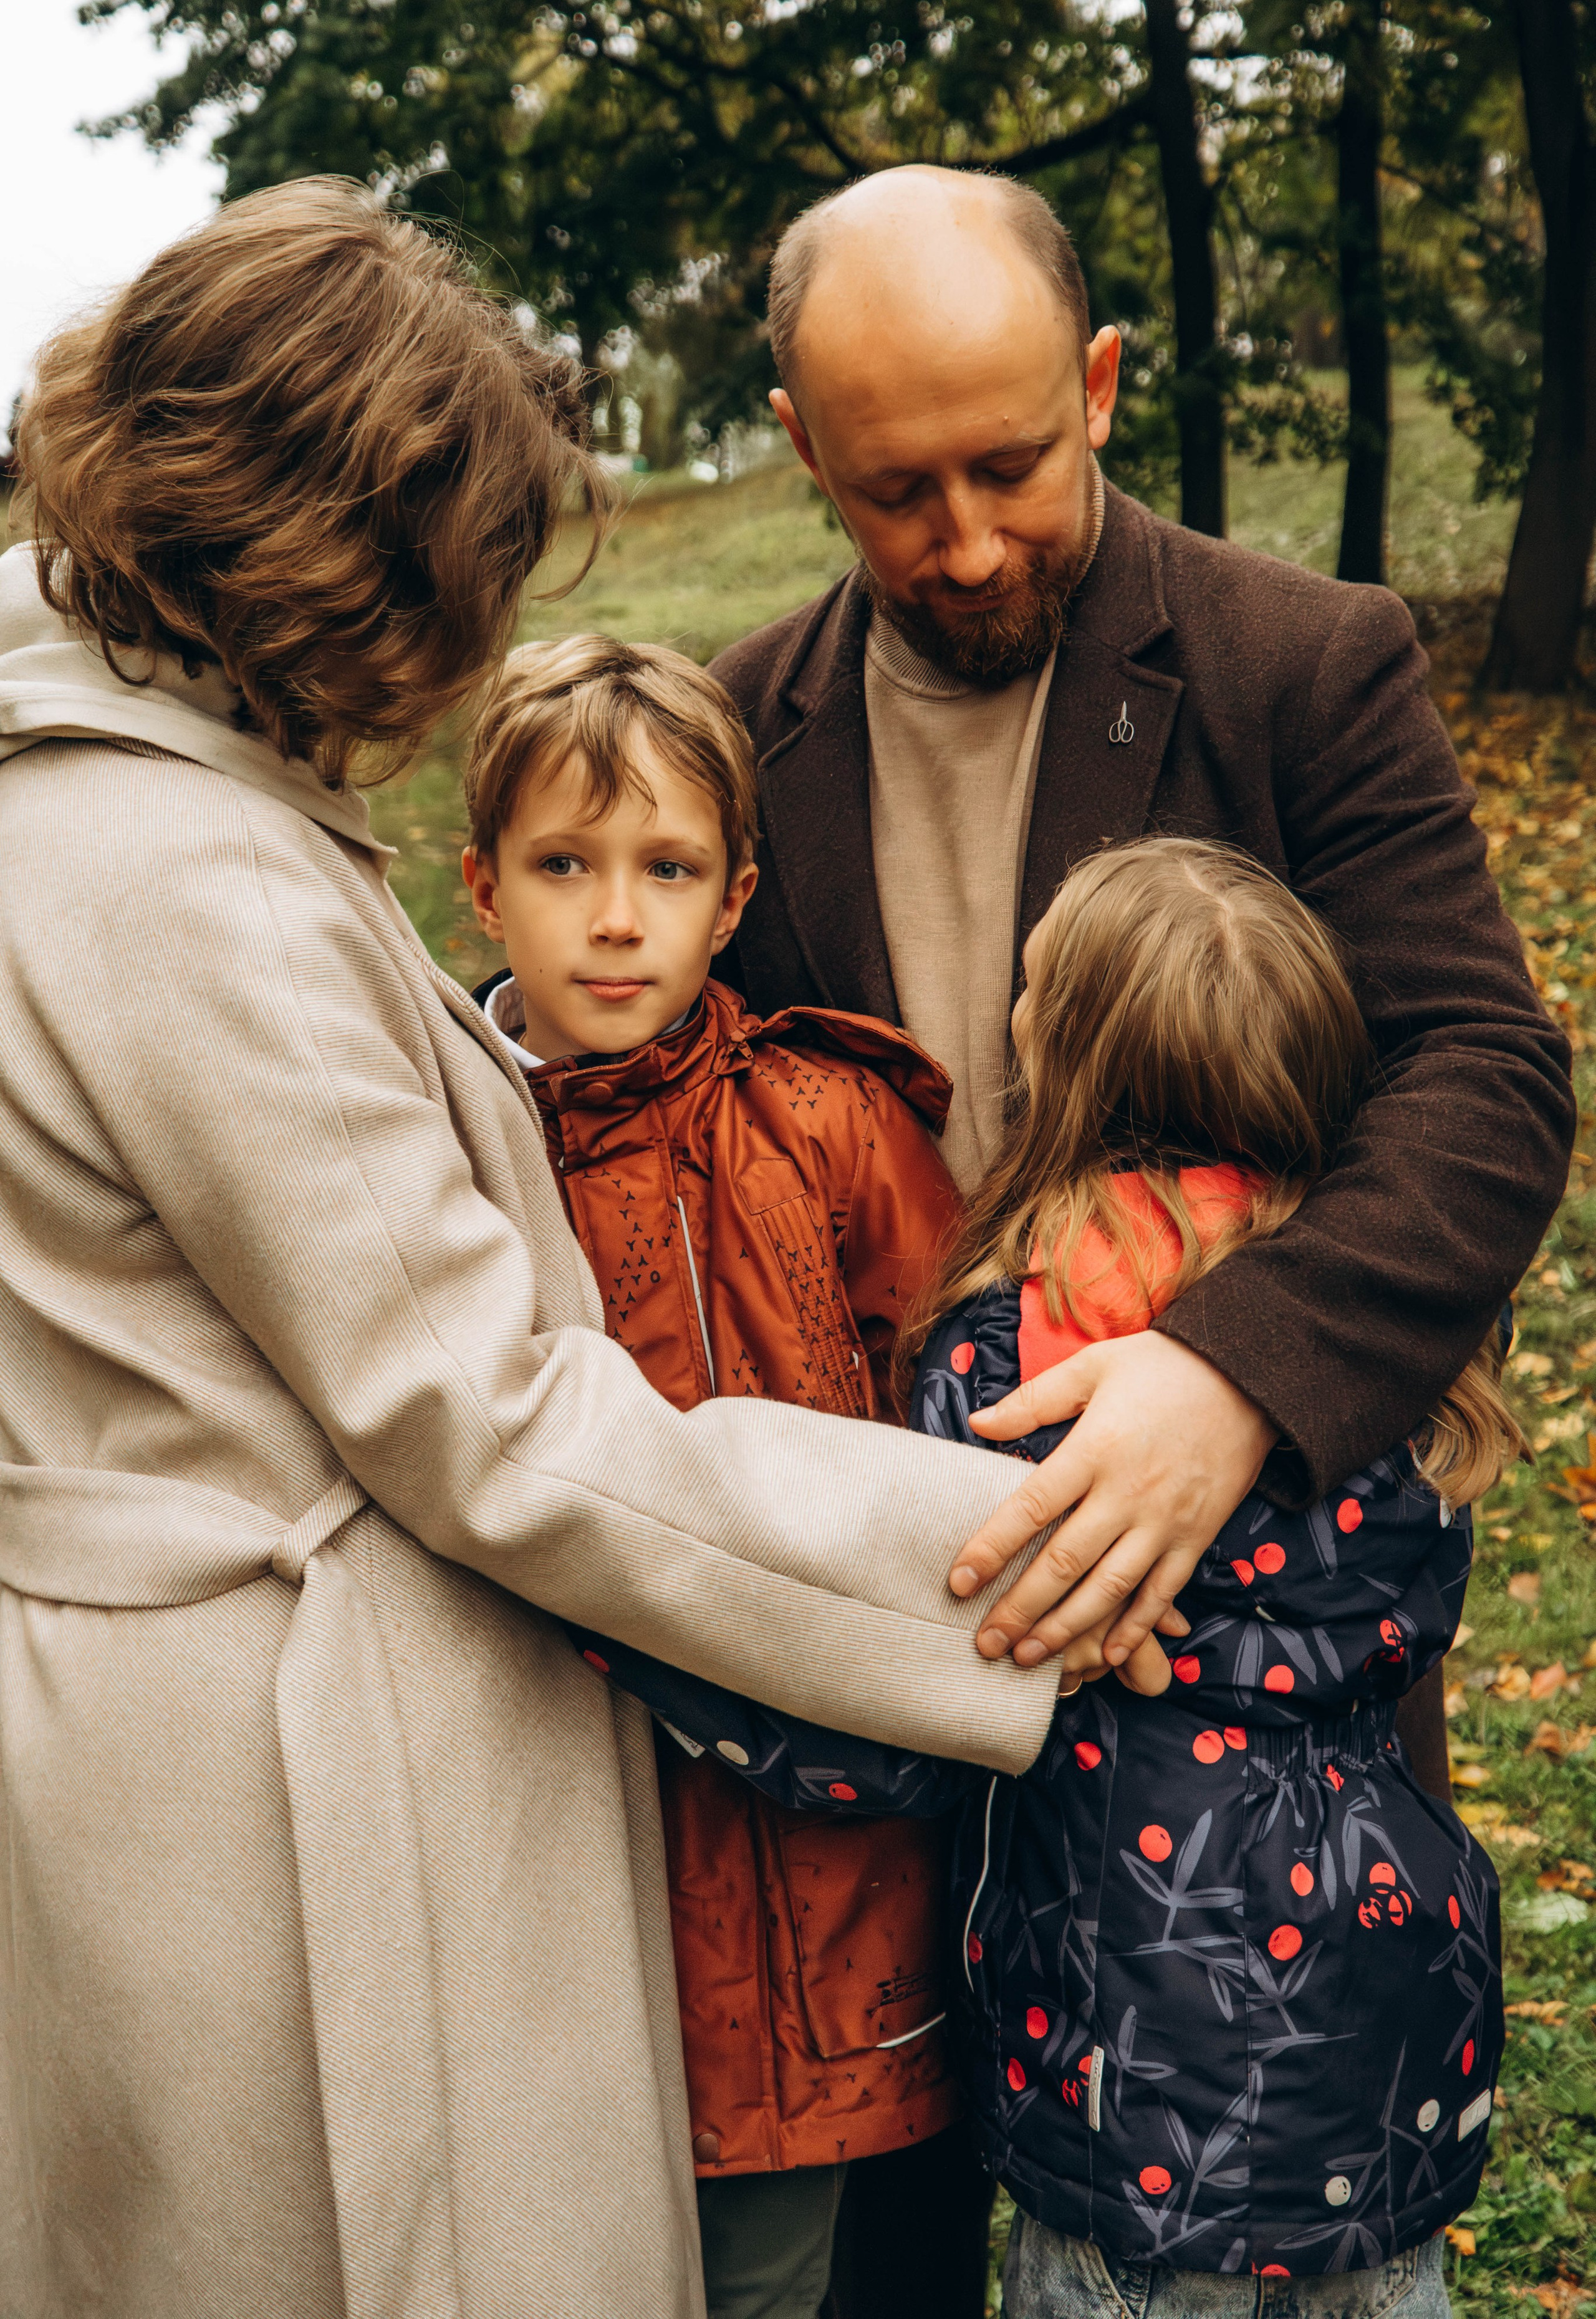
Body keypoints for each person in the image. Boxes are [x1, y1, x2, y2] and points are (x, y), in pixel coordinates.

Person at [0, 178, 1138, 2319]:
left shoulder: (91, 782)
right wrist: (1001, 1561)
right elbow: (489, 1410)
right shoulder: (180, 877)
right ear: (359, 558)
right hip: (272, 1786)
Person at [575, 838, 1515, 2310]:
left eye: (1028, 992)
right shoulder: (1379, 1353)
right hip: (1389, 2020)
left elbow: (901, 1704)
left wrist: (646, 1632)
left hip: (1131, 2065)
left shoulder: (1011, 1375)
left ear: (1069, 1064)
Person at [711, 164, 1572, 1750]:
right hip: (894, 1685)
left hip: (1256, 1731)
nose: (967, 546)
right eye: (896, 490)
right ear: (801, 443)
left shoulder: (1301, 665)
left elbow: (1484, 1077)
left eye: (1010, 466)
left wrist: (1229, 1376)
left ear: (1096, 387)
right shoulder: (733, 734)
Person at [458, 631, 984, 2319]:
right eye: (564, 866)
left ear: (734, 892)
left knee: (774, 2267)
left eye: (666, 869)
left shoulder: (828, 1125)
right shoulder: (431, 1137)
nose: (616, 919)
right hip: (537, 1812)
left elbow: (964, 1418)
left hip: (805, 1853)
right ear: (481, 887)